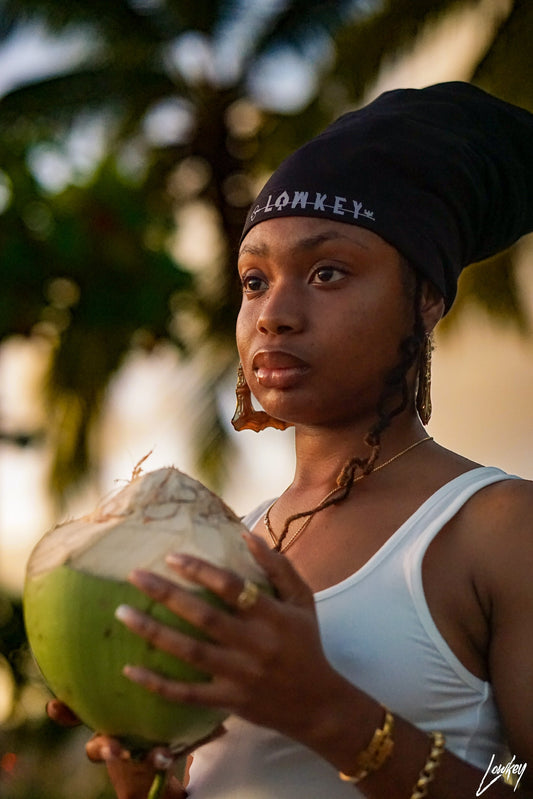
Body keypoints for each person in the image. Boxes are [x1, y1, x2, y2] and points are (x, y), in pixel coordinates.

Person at [49, 81, 533, 798]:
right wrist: (145, 769)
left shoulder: (496, 528)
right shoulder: (232, 541)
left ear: (425, 298)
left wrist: (331, 714)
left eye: (327, 272)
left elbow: (517, 777)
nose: (274, 313)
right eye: (253, 279)